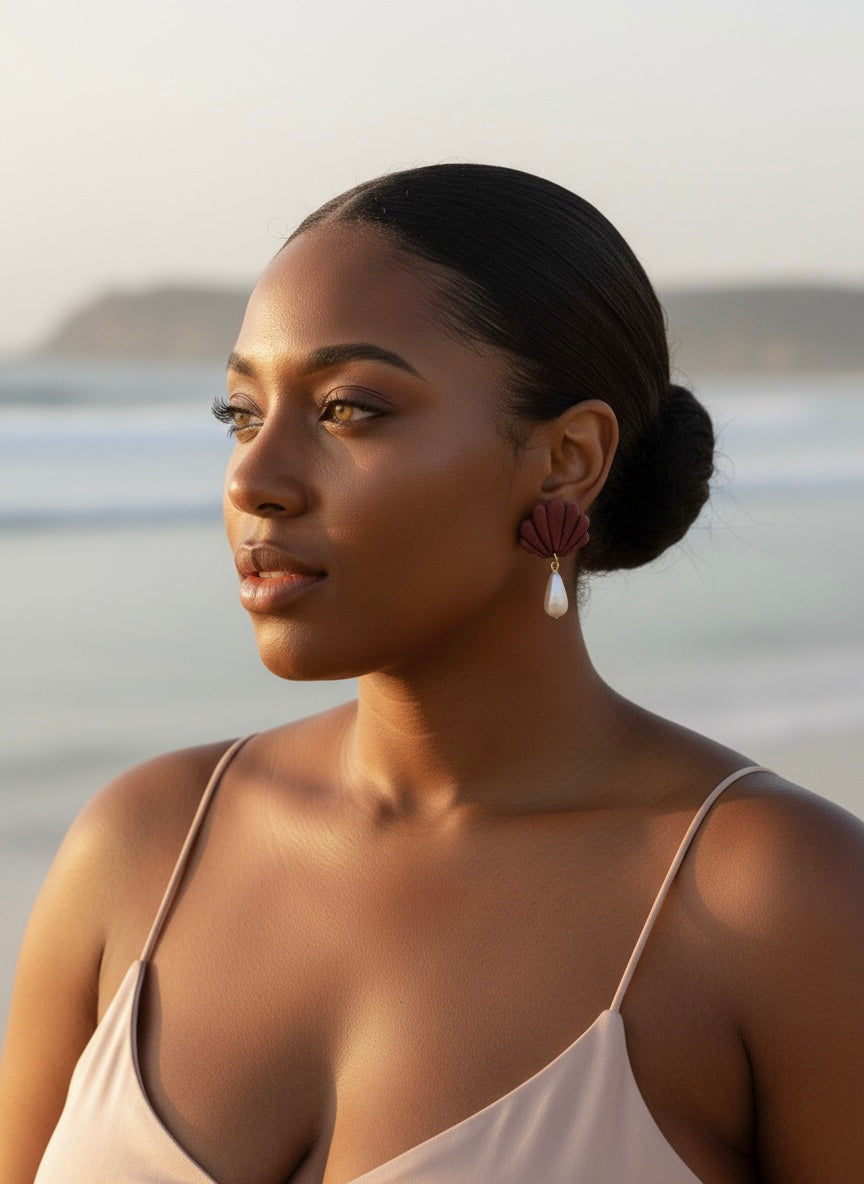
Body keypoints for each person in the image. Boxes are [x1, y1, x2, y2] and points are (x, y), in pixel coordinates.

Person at [1, 164, 862, 1184]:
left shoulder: (780, 898)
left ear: (568, 458)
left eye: (348, 408)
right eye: (241, 413)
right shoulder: (139, 847)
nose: (253, 478)